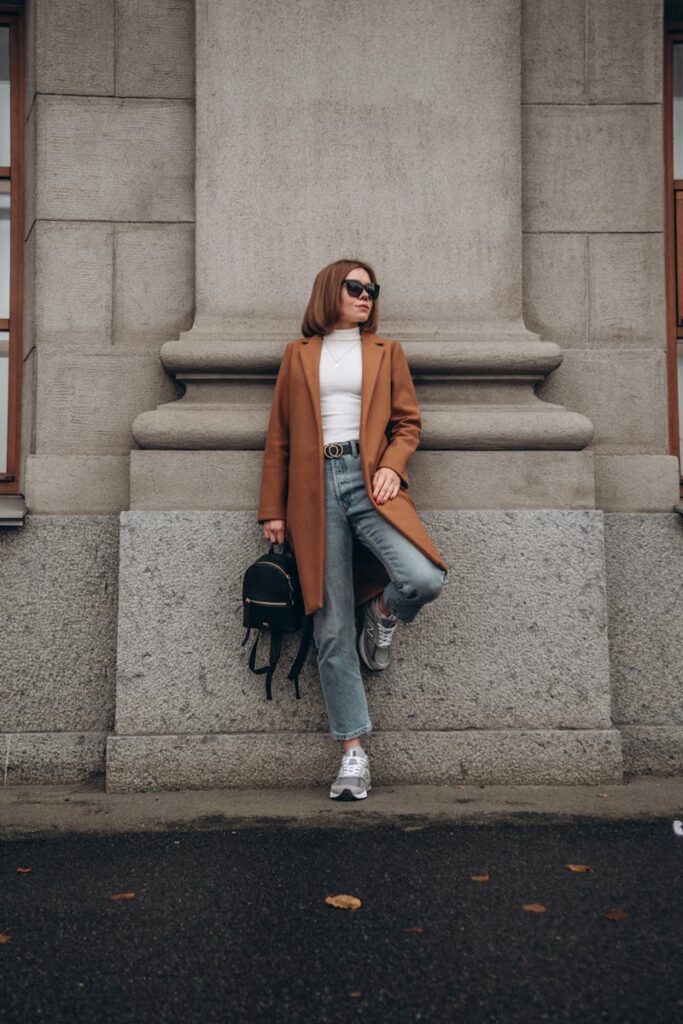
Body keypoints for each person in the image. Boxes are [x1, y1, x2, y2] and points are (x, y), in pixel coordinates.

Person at [257, 259, 448, 801]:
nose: (365, 296)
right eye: (355, 287)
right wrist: (273, 508)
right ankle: (353, 753)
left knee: (423, 577)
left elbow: (408, 423)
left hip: (369, 481)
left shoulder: (387, 353)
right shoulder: (298, 356)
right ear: (330, 291)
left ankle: (384, 613)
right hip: (312, 490)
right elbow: (279, 438)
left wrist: (391, 463)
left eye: (372, 290)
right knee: (332, 628)